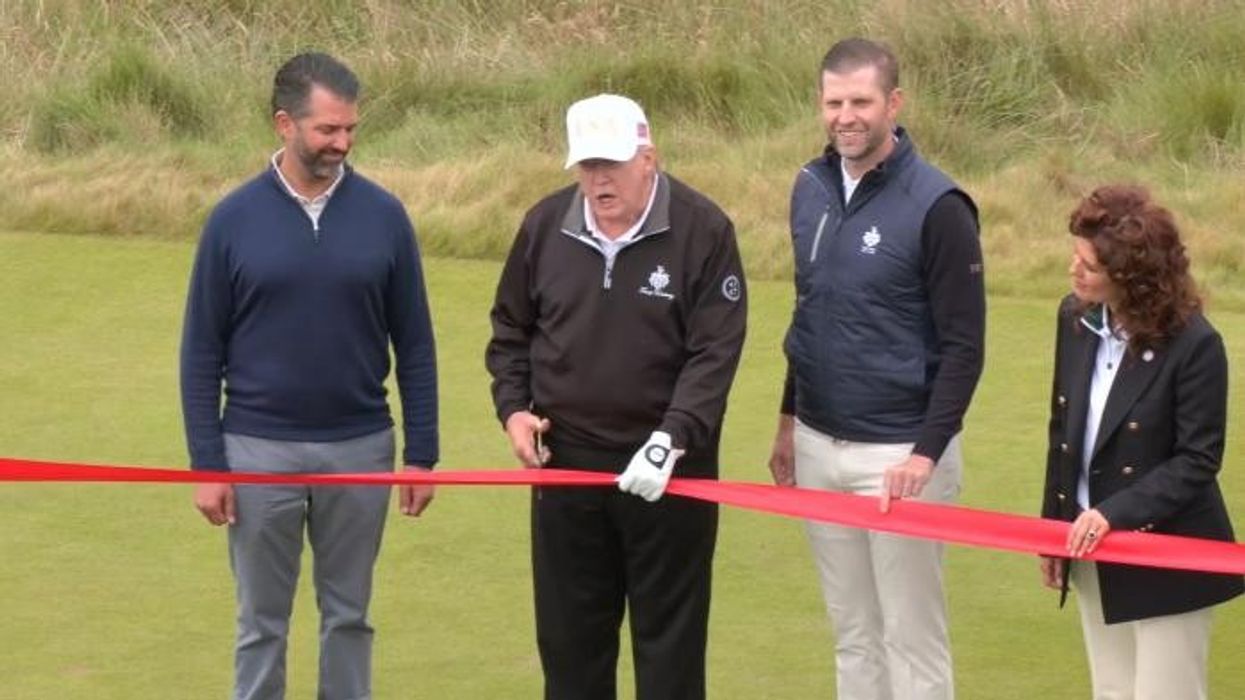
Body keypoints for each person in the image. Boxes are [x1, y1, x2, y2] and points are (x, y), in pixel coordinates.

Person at [180, 52, 438, 700]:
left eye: (350, 129)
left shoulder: (384, 216)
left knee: (349, 617)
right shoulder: (233, 220)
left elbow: (414, 342)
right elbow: (200, 350)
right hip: (257, 450)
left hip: (360, 448)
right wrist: (207, 464)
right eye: (328, 130)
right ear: (284, 124)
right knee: (260, 622)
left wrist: (422, 454)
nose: (342, 143)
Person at [486, 93, 746, 700]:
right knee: (571, 647)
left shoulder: (703, 230)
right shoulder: (545, 226)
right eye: (586, 165)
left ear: (647, 156)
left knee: (670, 652)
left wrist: (673, 437)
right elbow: (510, 331)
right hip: (566, 468)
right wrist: (514, 408)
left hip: (669, 471)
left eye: (612, 163)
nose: (598, 180)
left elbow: (715, 352)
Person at [767, 38, 985, 700]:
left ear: (893, 103)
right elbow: (809, 315)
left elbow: (964, 346)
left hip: (898, 454)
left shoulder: (938, 204)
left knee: (910, 640)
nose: (845, 116)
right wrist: (786, 421)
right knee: (853, 634)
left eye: (860, 101)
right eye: (833, 102)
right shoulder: (809, 187)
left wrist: (925, 453)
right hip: (818, 443)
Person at [1040, 185, 1243, 699]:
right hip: (1091, 545)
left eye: (1089, 263)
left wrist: (1114, 514)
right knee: (1111, 690)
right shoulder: (1075, 319)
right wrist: (1052, 528)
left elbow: (1198, 460)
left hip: (1169, 553)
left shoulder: (1196, 345)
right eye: (1076, 256)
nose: (1074, 269)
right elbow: (1063, 431)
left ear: (1131, 274)